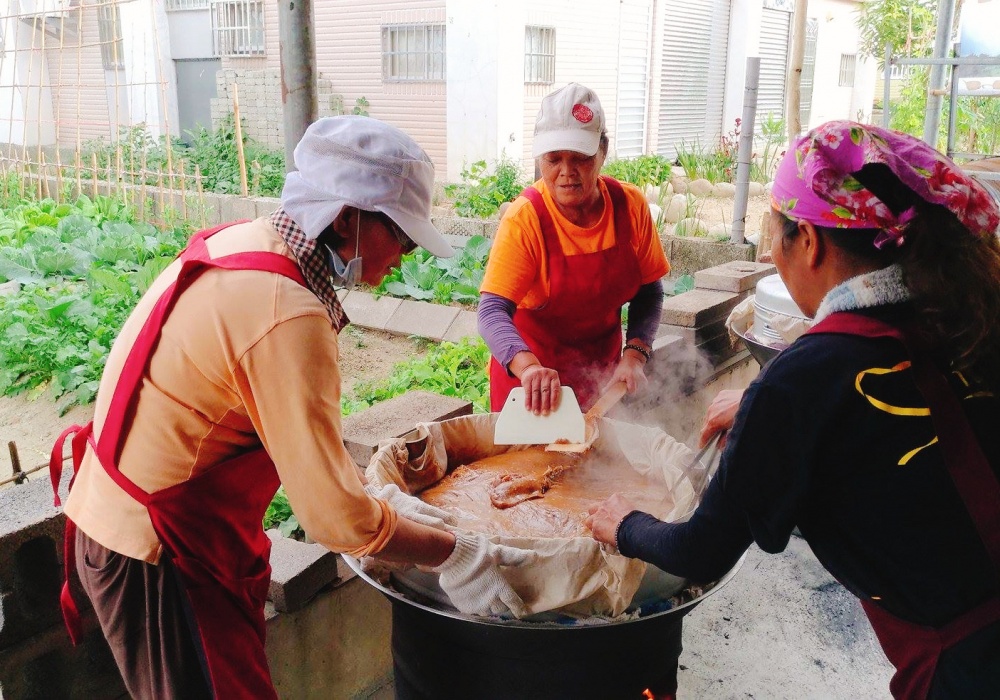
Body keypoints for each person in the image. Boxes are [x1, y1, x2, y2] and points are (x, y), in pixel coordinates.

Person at [48, 116, 534, 700]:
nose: (405, 257)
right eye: (402, 236)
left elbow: (289, 440)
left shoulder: (247, 240)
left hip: (136, 519)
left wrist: (375, 496)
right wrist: (458, 553)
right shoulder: (287, 311)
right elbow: (333, 520)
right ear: (349, 217)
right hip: (159, 555)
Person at [586, 121, 1000, 699]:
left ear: (809, 240)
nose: (771, 255)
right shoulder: (960, 317)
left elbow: (698, 551)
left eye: (774, 234)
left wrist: (623, 524)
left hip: (969, 671)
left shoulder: (803, 381)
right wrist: (763, 408)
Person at [478, 82, 670, 415]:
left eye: (580, 158)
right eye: (553, 159)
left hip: (601, 378)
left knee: (596, 463)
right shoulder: (526, 218)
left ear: (603, 151)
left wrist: (635, 354)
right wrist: (528, 368)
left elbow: (648, 291)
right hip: (531, 386)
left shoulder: (630, 206)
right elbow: (492, 310)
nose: (566, 172)